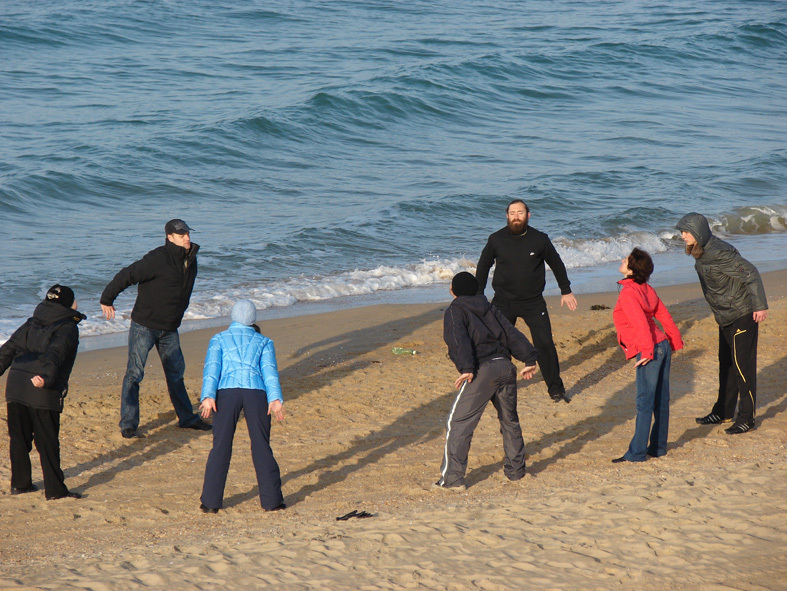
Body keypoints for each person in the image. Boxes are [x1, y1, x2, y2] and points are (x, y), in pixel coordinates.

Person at [100, 219, 211, 438]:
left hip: (170, 328)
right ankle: (129, 423)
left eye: (188, 234)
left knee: (176, 374)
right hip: (145, 325)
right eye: (182, 236)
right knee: (134, 374)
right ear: (169, 237)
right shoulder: (157, 258)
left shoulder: (191, 258)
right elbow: (127, 274)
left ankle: (187, 419)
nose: (187, 238)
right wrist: (107, 298)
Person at [434, 272, 539, 491]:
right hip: (505, 367)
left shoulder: (455, 309)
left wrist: (466, 368)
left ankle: (452, 480)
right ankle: (516, 472)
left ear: (453, 291)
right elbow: (511, 333)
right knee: (509, 421)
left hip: (483, 370)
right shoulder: (489, 307)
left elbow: (457, 339)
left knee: (458, 423)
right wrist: (529, 358)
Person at [475, 199, 577, 403]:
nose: (516, 216)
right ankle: (494, 386)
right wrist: (478, 297)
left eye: (520, 212)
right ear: (506, 215)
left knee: (545, 344)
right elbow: (483, 267)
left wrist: (565, 290)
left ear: (528, 215)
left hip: (533, 302)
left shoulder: (540, 239)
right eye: (512, 212)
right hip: (503, 302)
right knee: (497, 345)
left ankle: (555, 389)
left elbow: (556, 264)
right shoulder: (496, 239)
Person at [676, 213, 768, 435]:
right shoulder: (700, 250)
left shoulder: (719, 253)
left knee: (743, 368)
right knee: (726, 363)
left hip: (742, 314)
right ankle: (723, 411)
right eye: (682, 232)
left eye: (686, 232)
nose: (682, 236)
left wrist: (760, 306)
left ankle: (747, 418)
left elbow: (750, 273)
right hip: (725, 315)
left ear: (698, 232)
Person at [198, 300, 286, 513]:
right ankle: (272, 502)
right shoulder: (264, 341)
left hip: (226, 393)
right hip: (256, 393)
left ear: (233, 316)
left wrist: (208, 396)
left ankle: (210, 503)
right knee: (261, 445)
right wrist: (275, 398)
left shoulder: (219, 339)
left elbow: (212, 370)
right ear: (253, 319)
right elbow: (270, 373)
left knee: (221, 446)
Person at [0, 285, 86, 499]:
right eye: (75, 299)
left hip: (16, 385)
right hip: (40, 388)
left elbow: (8, 348)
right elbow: (55, 353)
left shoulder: (32, 321)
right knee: (47, 441)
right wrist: (47, 379)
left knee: (19, 439)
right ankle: (56, 491)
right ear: (68, 303)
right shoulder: (67, 327)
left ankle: (20, 484)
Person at [611, 249, 684, 463]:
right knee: (660, 400)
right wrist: (675, 342)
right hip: (662, 345)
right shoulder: (647, 288)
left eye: (626, 259)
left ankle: (637, 453)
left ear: (632, 269)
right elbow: (664, 316)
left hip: (650, 348)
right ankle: (658, 448)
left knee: (645, 402)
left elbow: (640, 323)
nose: (622, 260)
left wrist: (647, 351)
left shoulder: (628, 292)